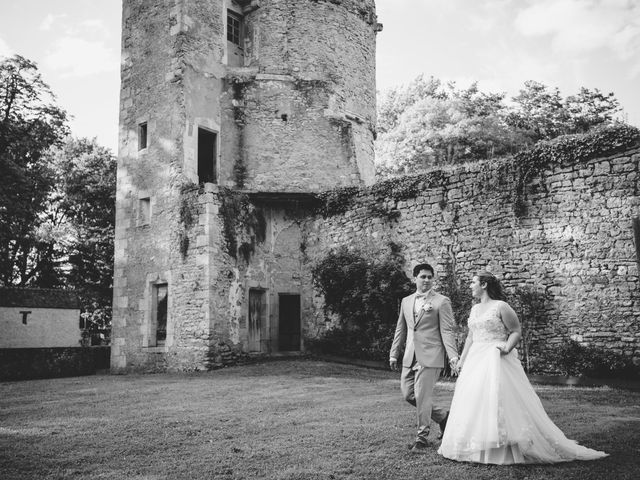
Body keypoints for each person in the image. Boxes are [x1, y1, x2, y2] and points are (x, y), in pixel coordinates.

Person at [438, 271, 609, 464]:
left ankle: (505, 443)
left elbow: (516, 331)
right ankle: (476, 443)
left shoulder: (501, 306)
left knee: (498, 398)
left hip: (495, 356)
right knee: (475, 397)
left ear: (484, 285)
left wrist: (506, 348)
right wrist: (462, 360)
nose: (470, 285)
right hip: (475, 358)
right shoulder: (475, 309)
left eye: (473, 282)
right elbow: (470, 337)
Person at [389, 263, 459, 452]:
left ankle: (422, 438)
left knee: (422, 395)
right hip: (410, 355)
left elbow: (447, 330)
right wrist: (394, 353)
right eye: (423, 277)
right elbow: (400, 329)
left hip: (431, 355)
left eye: (430, 277)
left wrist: (453, 357)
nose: (427, 280)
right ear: (415, 278)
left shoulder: (441, 301)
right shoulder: (406, 301)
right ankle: (444, 417)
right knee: (408, 394)